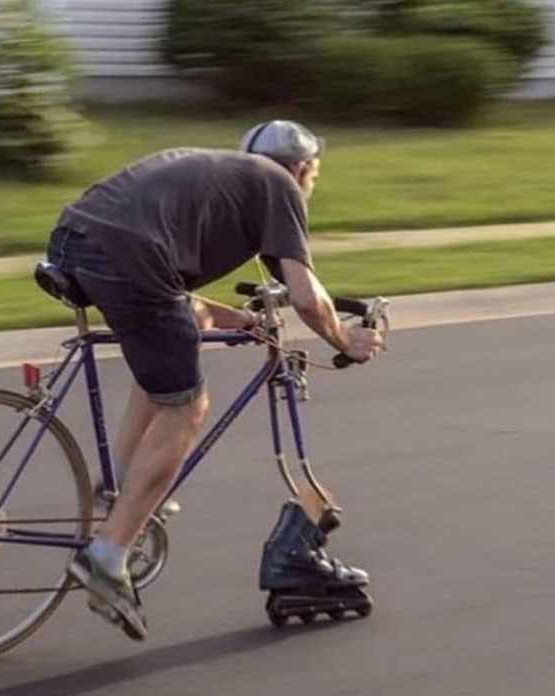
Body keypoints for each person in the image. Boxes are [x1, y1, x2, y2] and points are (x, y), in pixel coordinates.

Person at [44, 120, 383, 640]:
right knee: (186, 405)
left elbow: (178, 301)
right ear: (302, 168)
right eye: (313, 174)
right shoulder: (280, 186)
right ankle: (106, 559)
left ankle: (117, 487)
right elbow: (308, 298)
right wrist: (346, 341)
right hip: (127, 257)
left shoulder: (222, 177)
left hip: (75, 238)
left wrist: (239, 320)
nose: (310, 184)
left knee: (163, 364)